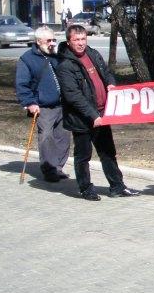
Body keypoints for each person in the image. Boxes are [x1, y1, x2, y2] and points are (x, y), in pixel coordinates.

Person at [56, 24, 140, 201]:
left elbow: (106, 72)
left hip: (103, 114)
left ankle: (117, 186)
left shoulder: (93, 54)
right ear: (69, 42)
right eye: (76, 40)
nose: (81, 43)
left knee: (108, 152)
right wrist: (93, 115)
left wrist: (111, 83)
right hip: (82, 119)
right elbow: (73, 96)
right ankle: (85, 188)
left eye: (83, 39)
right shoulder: (65, 65)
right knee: (83, 155)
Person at [15, 26, 71, 182]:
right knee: (46, 137)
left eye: (54, 40)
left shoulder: (56, 57)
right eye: (49, 40)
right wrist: (30, 103)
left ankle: (59, 167)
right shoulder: (27, 59)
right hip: (43, 106)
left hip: (62, 104)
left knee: (63, 137)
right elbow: (22, 85)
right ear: (39, 42)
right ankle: (49, 169)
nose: (52, 43)